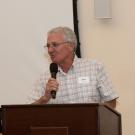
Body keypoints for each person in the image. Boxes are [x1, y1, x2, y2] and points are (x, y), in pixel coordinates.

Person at [27, 26, 118, 108]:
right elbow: (26, 111)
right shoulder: (44, 78)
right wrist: (45, 98)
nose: (50, 50)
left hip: (89, 125)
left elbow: (111, 101)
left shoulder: (94, 67)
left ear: (71, 45)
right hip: (60, 126)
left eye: (55, 45)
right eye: (48, 46)